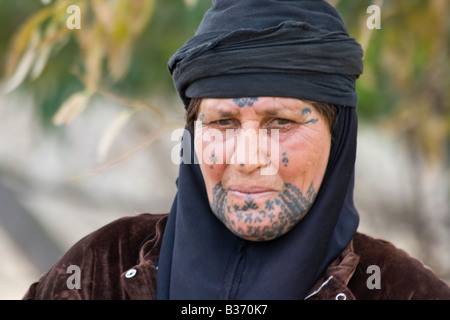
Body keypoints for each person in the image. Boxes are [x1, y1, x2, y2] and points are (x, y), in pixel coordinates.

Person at [24, 0, 449, 300]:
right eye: (222, 123)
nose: (247, 158)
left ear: (338, 137)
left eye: (280, 123)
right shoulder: (98, 271)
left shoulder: (399, 288)